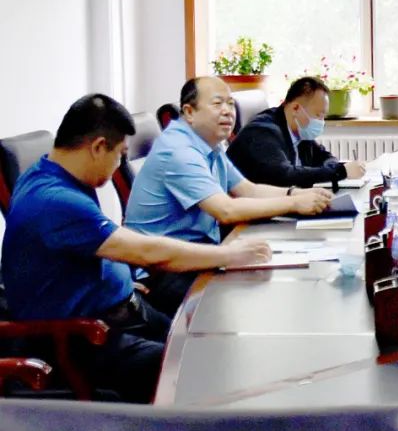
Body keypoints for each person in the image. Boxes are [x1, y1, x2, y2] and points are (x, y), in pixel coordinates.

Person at [1, 94, 272, 403]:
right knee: (200, 367)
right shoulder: (55, 200)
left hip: (120, 308)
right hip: (82, 339)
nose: (119, 164)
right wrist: (229, 254)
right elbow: (147, 252)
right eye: (120, 155)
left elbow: (88, 246)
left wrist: (122, 279)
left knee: (208, 340)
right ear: (98, 147)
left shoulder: (46, 171)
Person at [125, 77, 332, 314]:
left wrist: (296, 193)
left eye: (231, 104)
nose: (228, 111)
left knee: (264, 279)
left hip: (198, 253)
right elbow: (226, 210)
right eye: (217, 104)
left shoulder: (208, 143)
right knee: (253, 299)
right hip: (164, 270)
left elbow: (249, 190)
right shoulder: (179, 151)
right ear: (189, 112)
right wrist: (294, 203)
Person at [227, 76, 367, 187]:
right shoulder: (262, 132)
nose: (321, 122)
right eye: (318, 115)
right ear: (295, 108)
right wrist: (341, 171)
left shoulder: (299, 133)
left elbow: (324, 157)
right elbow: (285, 175)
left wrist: (335, 168)